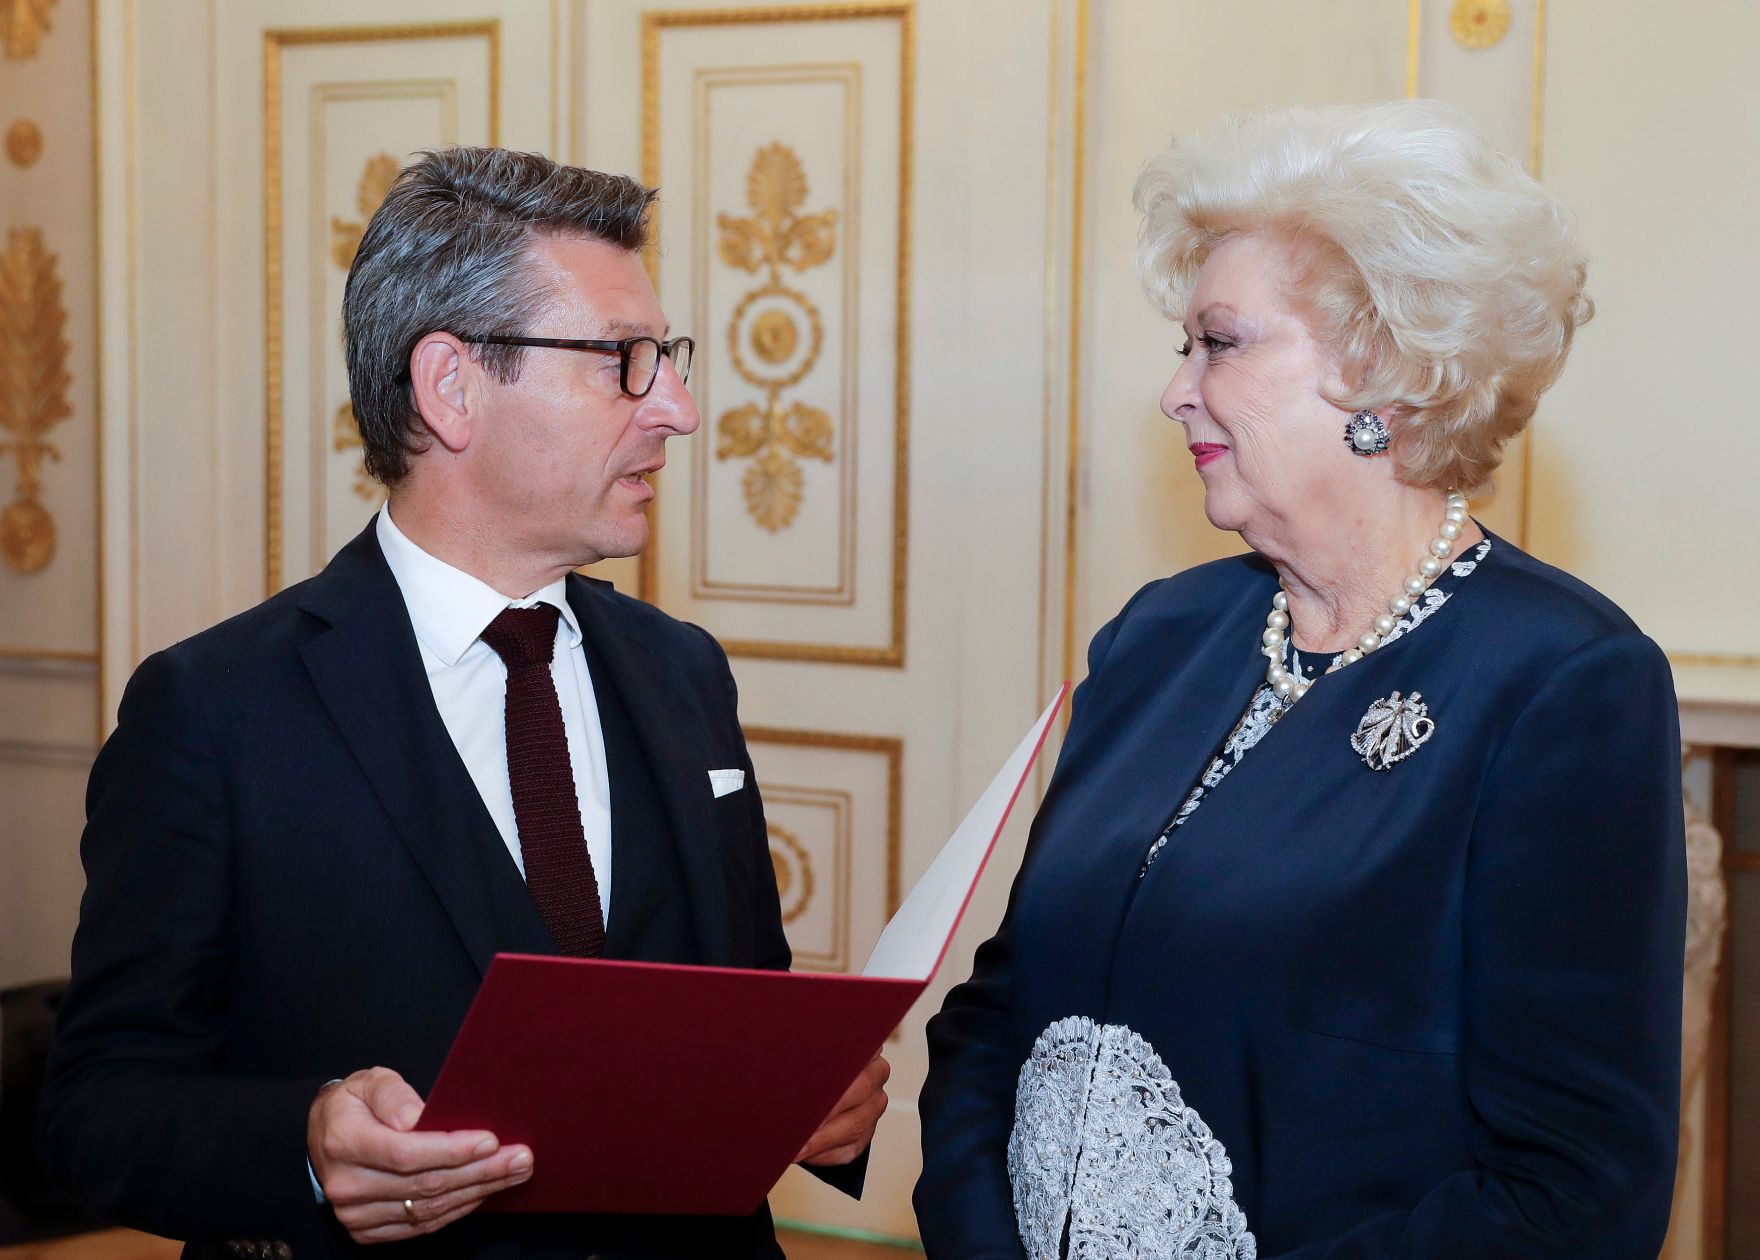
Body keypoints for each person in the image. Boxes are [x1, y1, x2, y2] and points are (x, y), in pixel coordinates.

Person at [40, 147, 888, 1259]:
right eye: (624, 360)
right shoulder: (213, 714)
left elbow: (742, 1002)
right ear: (451, 387)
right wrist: (303, 1145)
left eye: (666, 357)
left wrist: (813, 1092)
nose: (677, 408)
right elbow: (97, 1109)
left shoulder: (682, 669)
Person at [915, 100, 1685, 1258]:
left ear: (1387, 371)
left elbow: (1570, 1183)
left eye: (1217, 343)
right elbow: (1000, 1013)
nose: (1174, 390)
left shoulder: (1561, 682)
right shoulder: (1156, 637)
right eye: (1183, 346)